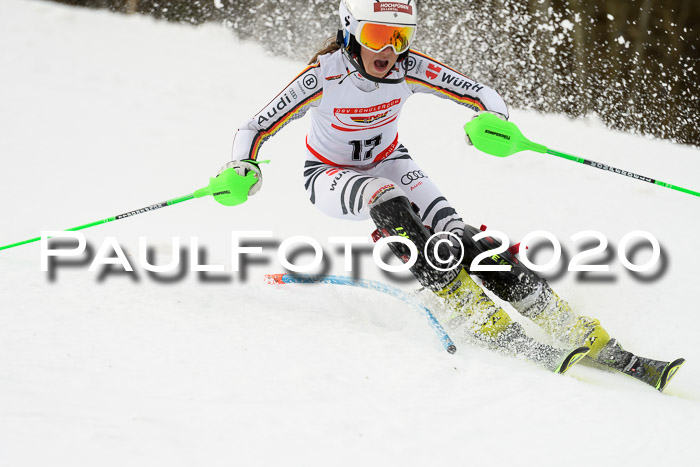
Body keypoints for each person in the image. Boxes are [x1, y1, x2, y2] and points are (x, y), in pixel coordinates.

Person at [219, 0, 683, 386]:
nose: (390, 51)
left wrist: (493, 123)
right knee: (383, 195)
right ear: (350, 31)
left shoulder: (409, 68)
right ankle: (479, 316)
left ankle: (583, 333)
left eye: (400, 38)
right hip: (329, 174)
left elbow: (482, 94)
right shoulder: (324, 76)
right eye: (379, 35)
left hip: (391, 160)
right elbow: (255, 125)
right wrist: (245, 164)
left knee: (464, 238)